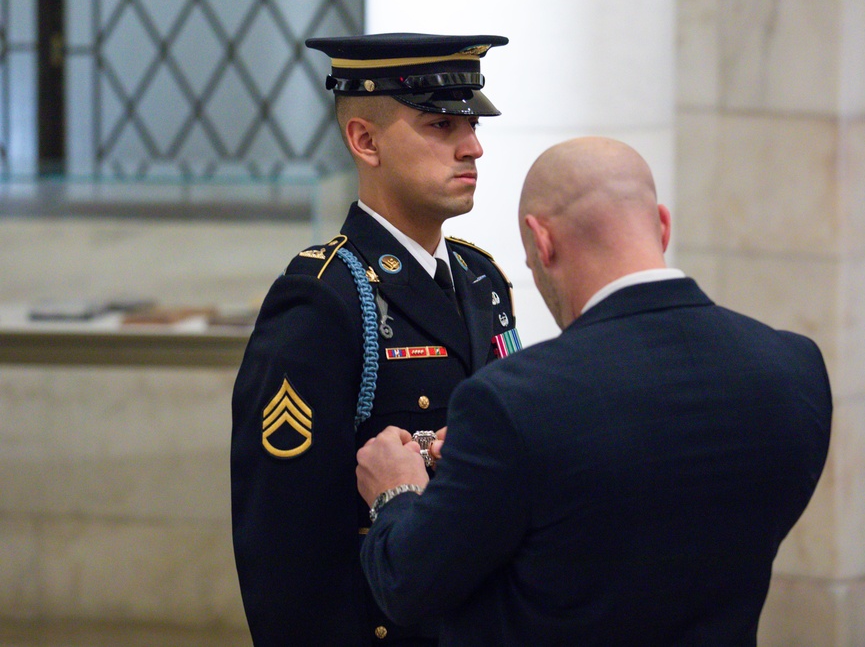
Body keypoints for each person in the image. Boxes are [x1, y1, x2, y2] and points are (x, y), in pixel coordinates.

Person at [355, 136, 833, 646]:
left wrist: (396, 492)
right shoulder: (793, 369)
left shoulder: (515, 404)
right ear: (663, 226)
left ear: (543, 242)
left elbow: (408, 586)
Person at [231, 33, 519, 646]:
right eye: (442, 125)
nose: (474, 147)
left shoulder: (480, 277)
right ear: (365, 141)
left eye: (470, 125)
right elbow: (284, 541)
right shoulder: (324, 299)